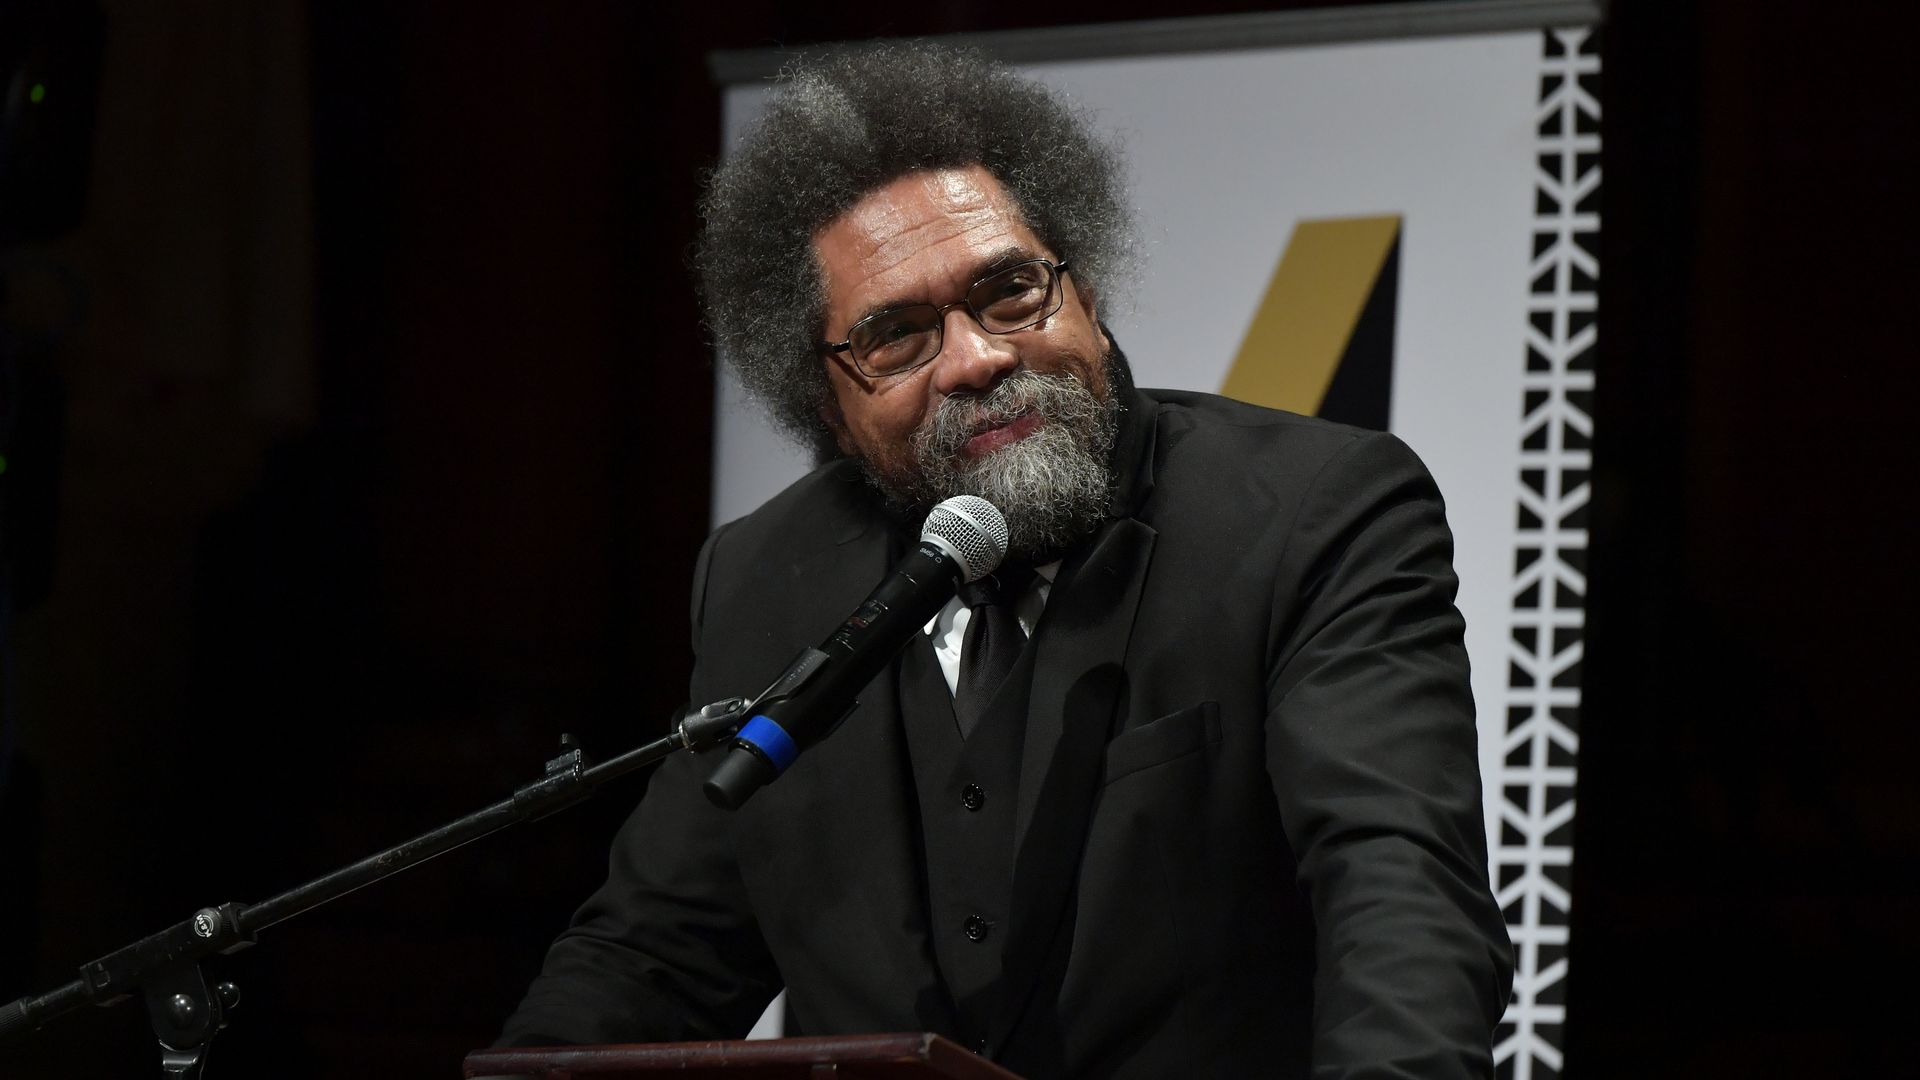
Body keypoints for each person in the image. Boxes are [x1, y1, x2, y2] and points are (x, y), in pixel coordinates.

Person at [499, 43, 1513, 1079]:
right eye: (896, 337)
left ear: (1083, 289)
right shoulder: (765, 576)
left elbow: (1401, 899)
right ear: (825, 403)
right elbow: (654, 955)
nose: (978, 357)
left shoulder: (1310, 512)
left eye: (1009, 291)